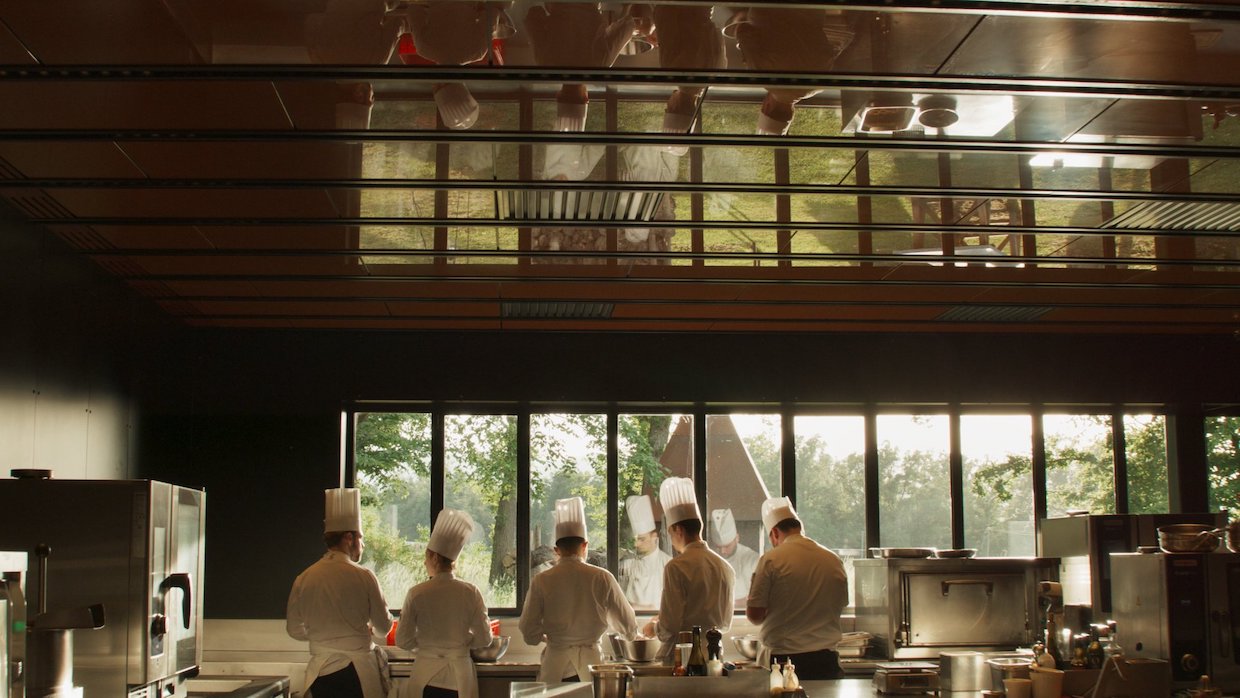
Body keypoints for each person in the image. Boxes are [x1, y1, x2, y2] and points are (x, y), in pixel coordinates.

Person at [286, 488, 394, 698]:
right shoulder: (364, 576)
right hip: (358, 674)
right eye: (360, 538)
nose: (362, 544)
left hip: (321, 674)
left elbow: (293, 629)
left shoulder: (305, 578)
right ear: (348, 538)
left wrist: (321, 635)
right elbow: (383, 627)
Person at [520, 497, 640, 682]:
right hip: (591, 668)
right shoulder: (602, 577)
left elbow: (529, 633)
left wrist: (547, 637)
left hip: (554, 669)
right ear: (585, 546)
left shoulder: (541, 580)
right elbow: (629, 626)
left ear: (556, 550)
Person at [746, 496, 849, 680]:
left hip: (787, 663)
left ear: (775, 533)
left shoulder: (772, 560)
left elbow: (754, 615)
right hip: (827, 661)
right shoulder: (833, 559)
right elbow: (840, 604)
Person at [394, 508, 492, 698]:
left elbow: (402, 640)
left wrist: (426, 645)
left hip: (424, 675)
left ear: (436, 558)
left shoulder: (416, 593)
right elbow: (485, 639)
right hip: (460, 676)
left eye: (426, 557)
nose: (424, 563)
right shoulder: (470, 592)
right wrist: (462, 643)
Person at [646, 477, 734, 659]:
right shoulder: (725, 567)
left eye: (670, 533)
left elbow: (670, 625)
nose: (671, 539)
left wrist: (654, 627)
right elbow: (725, 623)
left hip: (682, 656)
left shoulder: (676, 567)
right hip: (714, 656)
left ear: (678, 530)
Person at [521, 2, 640, 130]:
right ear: (558, 95)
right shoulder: (545, 63)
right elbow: (532, 16)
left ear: (586, 97)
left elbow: (627, 25)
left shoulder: (599, 66)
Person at [732, 6, 850, 135]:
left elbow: (828, 46)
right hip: (768, 8)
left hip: (813, 9)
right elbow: (743, 31)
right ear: (767, 107)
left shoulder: (820, 84)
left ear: (792, 111)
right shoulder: (764, 78)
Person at [401, 1, 514, 129]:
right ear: (439, 85)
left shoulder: (477, 51)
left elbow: (492, 12)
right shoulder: (424, 49)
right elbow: (414, 10)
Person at [618, 494, 670, 610]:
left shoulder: (668, 564)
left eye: (641, 539)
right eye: (635, 540)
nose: (636, 544)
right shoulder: (628, 565)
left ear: (654, 537)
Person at [709, 508, 760, 607]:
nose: (723, 551)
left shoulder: (751, 560)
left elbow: (757, 598)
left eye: (727, 546)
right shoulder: (709, 559)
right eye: (719, 547)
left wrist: (726, 604)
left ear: (737, 538)